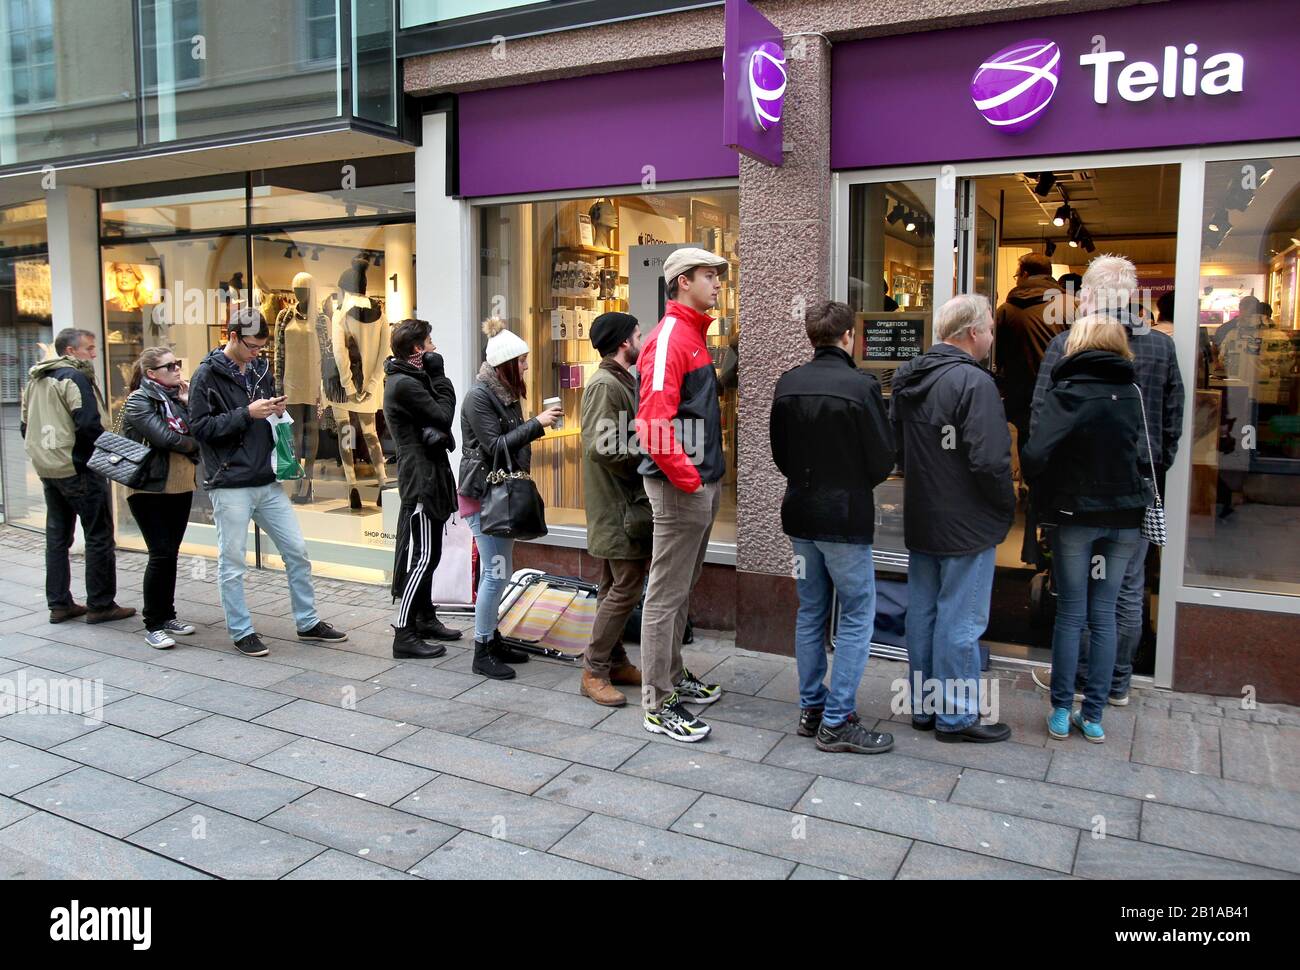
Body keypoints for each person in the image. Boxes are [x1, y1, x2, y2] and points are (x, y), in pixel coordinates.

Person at [1030, 255, 1184, 705]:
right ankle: (1115, 683)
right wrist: (1155, 468)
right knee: (1126, 588)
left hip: (1076, 488)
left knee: (1073, 589)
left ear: (1090, 296)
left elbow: (1042, 420)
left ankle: (1076, 680)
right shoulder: (1159, 346)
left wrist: (1045, 482)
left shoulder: (1066, 344)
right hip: (1137, 486)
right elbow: (1172, 420)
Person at [770, 301, 895, 754]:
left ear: (812, 337)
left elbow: (780, 453)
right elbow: (883, 459)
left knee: (811, 611)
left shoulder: (788, 384)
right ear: (848, 337)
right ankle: (837, 718)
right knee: (858, 612)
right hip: (844, 517)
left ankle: (813, 708)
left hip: (801, 513)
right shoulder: (861, 387)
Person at [188, 308, 347, 656]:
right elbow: (199, 428)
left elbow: (262, 413)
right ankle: (241, 630)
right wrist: (247, 413)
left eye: (262, 347)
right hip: (229, 479)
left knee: (297, 551)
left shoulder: (260, 369)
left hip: (266, 476)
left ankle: (307, 621)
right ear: (231, 336)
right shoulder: (206, 375)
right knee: (232, 561)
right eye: (252, 346)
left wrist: (274, 409)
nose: (257, 353)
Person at [891, 294, 1014, 743]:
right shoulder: (973, 383)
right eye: (990, 329)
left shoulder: (910, 376)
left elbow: (898, 448)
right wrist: (1005, 506)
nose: (991, 337)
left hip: (923, 514)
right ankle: (957, 715)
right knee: (960, 619)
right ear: (973, 333)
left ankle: (924, 707)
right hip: (966, 521)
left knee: (923, 612)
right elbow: (989, 461)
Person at [1021, 316, 1150, 743]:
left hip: (1077, 513)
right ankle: (1093, 715)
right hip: (1125, 515)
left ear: (1078, 343)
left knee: (1072, 613)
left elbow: (1038, 451)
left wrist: (1042, 483)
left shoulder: (1069, 391)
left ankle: (1061, 711)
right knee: (1105, 614)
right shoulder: (1131, 390)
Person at [635, 247, 729, 742]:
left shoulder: (691, 334)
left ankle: (671, 677)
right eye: (709, 276)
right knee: (665, 594)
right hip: (680, 486)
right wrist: (690, 480)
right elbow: (652, 423)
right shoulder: (672, 336)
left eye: (717, 276)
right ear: (682, 281)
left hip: (696, 482)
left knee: (679, 588)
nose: (717, 283)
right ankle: (657, 701)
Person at [458, 318, 563, 680]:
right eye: (521, 361)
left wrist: (533, 423)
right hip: (484, 496)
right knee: (493, 574)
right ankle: (482, 648)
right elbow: (495, 447)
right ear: (505, 364)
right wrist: (538, 423)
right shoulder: (478, 397)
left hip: (498, 495)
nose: (527, 366)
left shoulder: (503, 394)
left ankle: (492, 637)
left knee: (500, 572)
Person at [21, 328, 135, 626]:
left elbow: (25, 423)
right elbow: (87, 423)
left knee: (57, 537)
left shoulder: (36, 378)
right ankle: (101, 604)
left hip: (48, 467)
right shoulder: (74, 377)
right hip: (78, 467)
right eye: (89, 348)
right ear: (71, 351)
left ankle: (59, 604)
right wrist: (100, 456)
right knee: (98, 534)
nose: (94, 354)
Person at [578, 311, 649, 707]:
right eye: (637, 335)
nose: (641, 340)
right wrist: (648, 453)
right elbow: (601, 447)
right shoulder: (607, 385)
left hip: (620, 504)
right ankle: (594, 670)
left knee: (612, 586)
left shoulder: (619, 380)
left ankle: (615, 659)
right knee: (626, 586)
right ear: (624, 342)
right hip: (618, 506)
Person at [383, 318, 462, 661]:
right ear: (417, 349)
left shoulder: (411, 378)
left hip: (427, 473)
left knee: (432, 553)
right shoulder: (405, 384)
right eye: (430, 342)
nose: (434, 347)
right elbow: (443, 415)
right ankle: (404, 631)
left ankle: (425, 617)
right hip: (420, 479)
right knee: (424, 556)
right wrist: (441, 375)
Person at [121, 347, 201, 649]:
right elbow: (165, 438)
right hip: (149, 486)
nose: (177, 369)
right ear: (151, 373)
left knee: (171, 553)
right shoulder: (139, 400)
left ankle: (168, 615)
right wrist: (194, 445)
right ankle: (153, 624)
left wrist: (188, 402)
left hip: (180, 484)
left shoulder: (176, 398)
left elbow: (199, 428)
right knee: (160, 553)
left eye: (178, 364)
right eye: (170, 366)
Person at [995, 253, 1065, 566]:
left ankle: (1031, 544)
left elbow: (996, 356)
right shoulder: (1070, 306)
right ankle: (1051, 539)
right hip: (1062, 401)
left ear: (1022, 273)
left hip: (1022, 401)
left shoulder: (1006, 311)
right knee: (1059, 470)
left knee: (1031, 465)